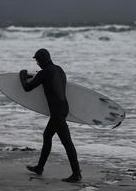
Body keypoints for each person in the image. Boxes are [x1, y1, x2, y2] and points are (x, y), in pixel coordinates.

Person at [19, 48, 82, 182]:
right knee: (47, 135)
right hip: (64, 108)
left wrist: (22, 75)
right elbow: (48, 80)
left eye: (37, 60)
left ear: (42, 60)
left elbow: (27, 88)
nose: (37, 63)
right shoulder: (59, 69)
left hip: (57, 113)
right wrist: (35, 75)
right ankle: (39, 167)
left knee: (67, 142)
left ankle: (76, 174)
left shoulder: (44, 73)